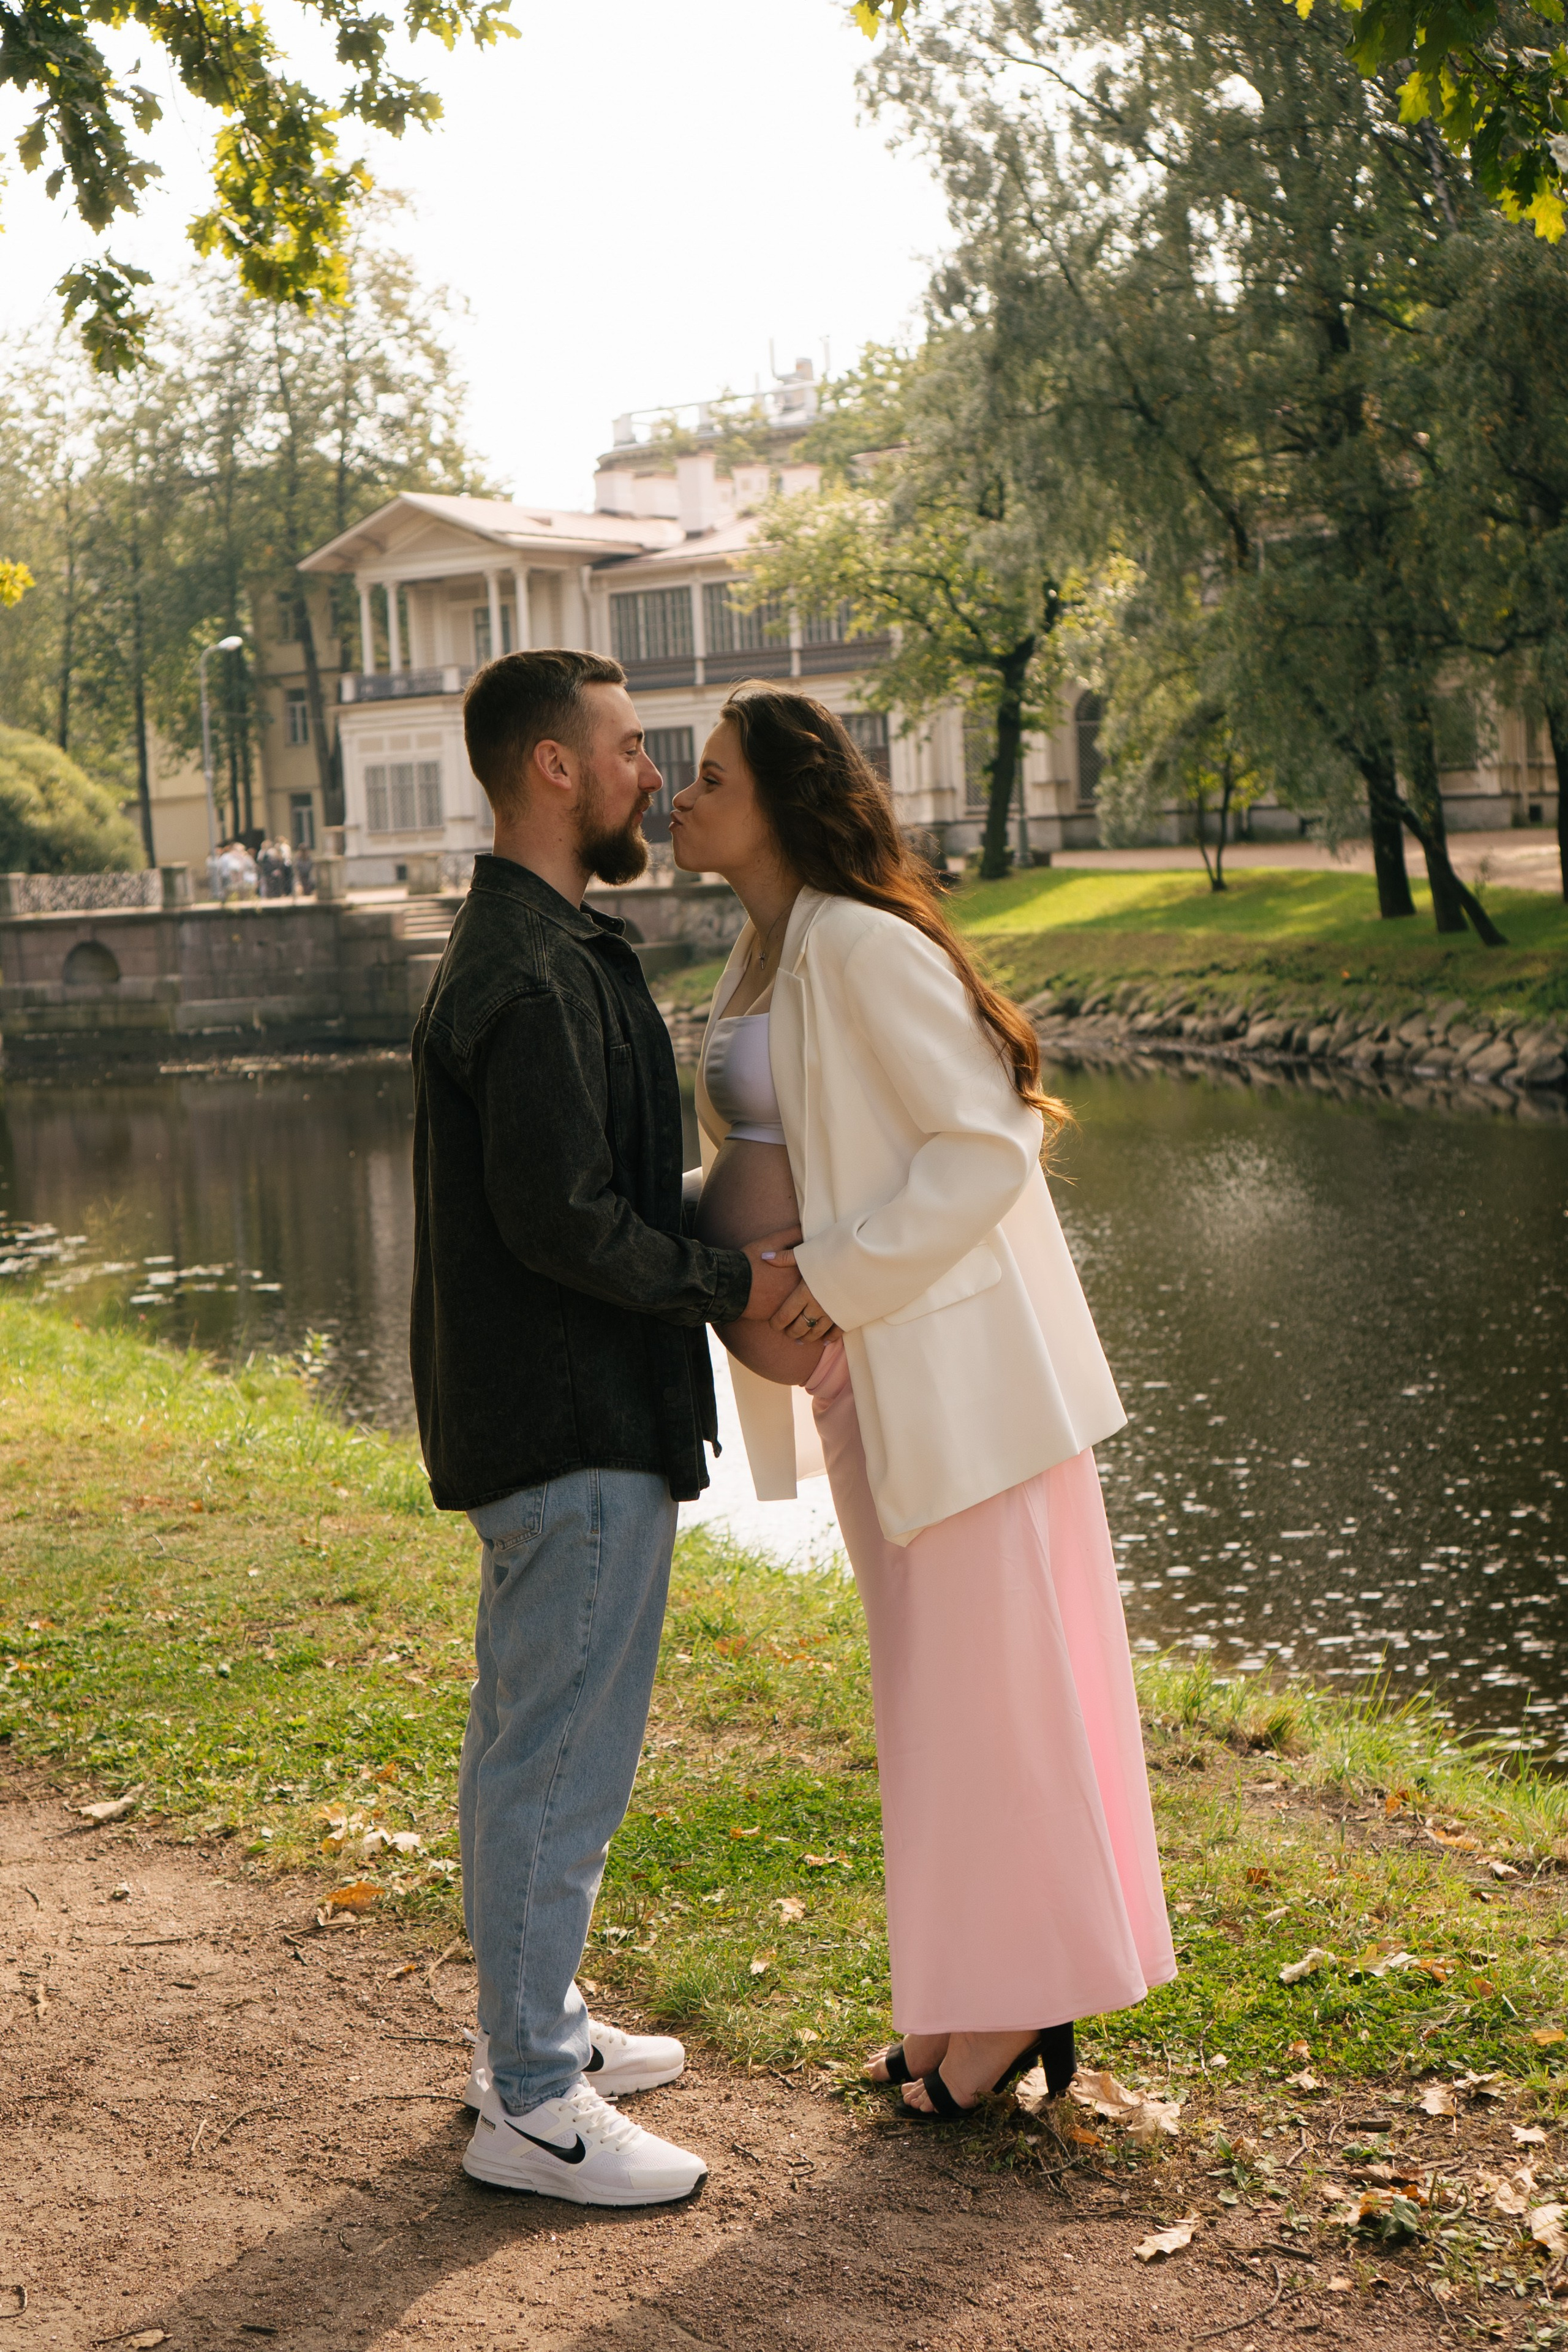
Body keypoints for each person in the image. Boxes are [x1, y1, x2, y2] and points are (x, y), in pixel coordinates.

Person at [669, 685, 1175, 2120]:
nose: (681, 797)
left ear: (779, 801)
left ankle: (1018, 2000)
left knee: (991, 1699)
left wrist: (838, 1274)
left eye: (710, 777)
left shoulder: (858, 941)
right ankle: (959, 1993)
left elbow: (985, 1140)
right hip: (865, 1380)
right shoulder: (767, 945)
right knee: (933, 1705)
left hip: (953, 1381)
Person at [409, 649, 801, 2206]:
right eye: (631, 747)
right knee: (556, 1764)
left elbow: (601, 1190)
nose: (651, 774)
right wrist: (734, 1280)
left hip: (568, 1414)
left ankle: (536, 2032)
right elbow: (564, 1223)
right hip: (568, 1423)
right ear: (554, 768)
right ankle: (529, 2102)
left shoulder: (549, 943)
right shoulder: (523, 970)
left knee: (530, 1742)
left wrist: (740, 1220)